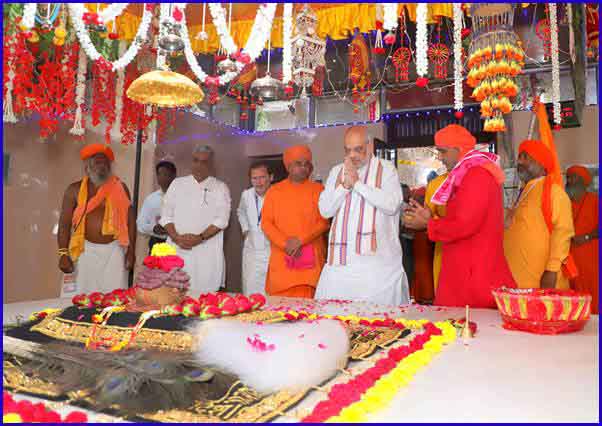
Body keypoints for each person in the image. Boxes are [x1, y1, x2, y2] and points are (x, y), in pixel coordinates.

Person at [404, 124, 515, 308]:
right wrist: (429, 218)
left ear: (458, 150)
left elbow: (465, 224)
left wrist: (428, 224)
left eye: (443, 152)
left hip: (474, 276)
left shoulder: (476, 174)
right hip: (466, 271)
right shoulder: (467, 173)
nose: (439, 158)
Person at [315, 126, 409, 305]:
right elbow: (325, 210)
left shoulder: (387, 170)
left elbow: (391, 205)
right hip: (340, 267)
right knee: (336, 324)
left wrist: (358, 184)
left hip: (378, 267)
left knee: (379, 325)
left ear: (370, 146)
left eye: (358, 149)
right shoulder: (337, 172)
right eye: (348, 150)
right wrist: (344, 186)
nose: (353, 155)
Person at [57, 144, 135, 296]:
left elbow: (131, 221)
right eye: (97, 162)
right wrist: (63, 254)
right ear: (88, 167)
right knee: (80, 299)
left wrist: (131, 252)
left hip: (115, 250)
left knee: (114, 299)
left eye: (105, 163)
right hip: (84, 250)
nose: (102, 166)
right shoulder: (74, 189)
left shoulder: (121, 188)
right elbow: (64, 224)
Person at [160, 145, 231, 295]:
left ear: (211, 165)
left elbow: (222, 220)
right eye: (195, 161)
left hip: (206, 255)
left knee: (204, 303)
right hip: (177, 251)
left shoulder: (220, 188)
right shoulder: (177, 184)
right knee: (172, 299)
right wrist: (177, 238)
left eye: (204, 162)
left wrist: (199, 238)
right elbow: (166, 215)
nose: (199, 165)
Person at [261, 145, 329, 298]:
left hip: (310, 265)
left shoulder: (319, 189)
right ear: (288, 166)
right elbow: (266, 223)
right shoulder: (274, 191)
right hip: (283, 261)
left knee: (309, 315)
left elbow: (323, 222)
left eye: (307, 164)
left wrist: (300, 240)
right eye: (299, 163)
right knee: (281, 314)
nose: (304, 168)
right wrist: (286, 243)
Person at [504, 140, 574, 289]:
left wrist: (552, 270)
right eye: (519, 157)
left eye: (526, 157)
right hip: (517, 282)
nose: (519, 162)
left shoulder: (554, 192)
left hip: (542, 281)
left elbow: (563, 232)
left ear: (541, 163)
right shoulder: (525, 191)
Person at [566, 165, 598, 313]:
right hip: (570, 264)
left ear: (584, 182)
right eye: (568, 178)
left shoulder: (595, 201)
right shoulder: (565, 203)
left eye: (574, 178)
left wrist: (586, 237)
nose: (570, 181)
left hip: (592, 264)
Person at [237, 161, 273, 296]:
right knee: (250, 290)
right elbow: (240, 212)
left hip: (272, 251)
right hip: (251, 251)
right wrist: (245, 230)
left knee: (270, 292)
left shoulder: (278, 194)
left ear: (271, 177)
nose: (258, 182)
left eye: (262, 177)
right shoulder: (246, 195)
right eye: (254, 178)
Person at [137, 161, 177, 253]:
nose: (162, 177)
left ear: (174, 176)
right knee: (156, 268)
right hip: (157, 244)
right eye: (159, 174)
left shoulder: (182, 197)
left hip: (177, 243)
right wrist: (154, 228)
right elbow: (140, 223)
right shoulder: (151, 199)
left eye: (166, 174)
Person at [409, 187, 434, 304]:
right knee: (422, 265)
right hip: (423, 234)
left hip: (426, 234)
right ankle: (424, 295)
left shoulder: (428, 190)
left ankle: (425, 295)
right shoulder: (429, 189)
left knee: (423, 265)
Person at [424, 171, 448, 291]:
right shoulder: (435, 184)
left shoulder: (481, 179)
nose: (439, 157)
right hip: (443, 252)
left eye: (442, 151)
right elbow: (427, 217)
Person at [399, 183, 414, 288]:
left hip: (408, 238)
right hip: (402, 238)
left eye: (408, 191)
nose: (408, 194)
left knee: (407, 264)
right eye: (405, 192)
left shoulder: (407, 206)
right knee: (405, 264)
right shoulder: (401, 205)